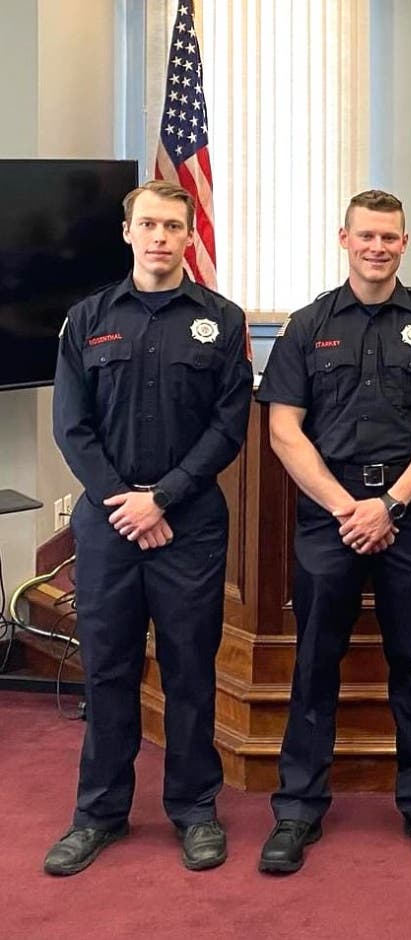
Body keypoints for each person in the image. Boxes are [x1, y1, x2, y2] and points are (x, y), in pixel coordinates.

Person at [255, 189, 411, 871]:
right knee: (315, 663)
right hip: (331, 516)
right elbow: (283, 428)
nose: (378, 247)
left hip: (409, 514)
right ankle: (297, 811)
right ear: (344, 239)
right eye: (367, 236)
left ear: (405, 243)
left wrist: (392, 505)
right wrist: (345, 506)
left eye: (390, 237)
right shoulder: (307, 324)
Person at [46, 179, 253, 875]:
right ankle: (98, 813)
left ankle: (195, 811)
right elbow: (71, 429)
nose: (161, 237)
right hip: (109, 529)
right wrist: (125, 504)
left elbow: (229, 426)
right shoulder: (87, 319)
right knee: (108, 671)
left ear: (190, 235)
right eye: (149, 224)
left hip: (188, 526)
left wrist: (161, 499)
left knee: (192, 673)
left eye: (173, 225)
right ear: (128, 232)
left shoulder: (221, 320)